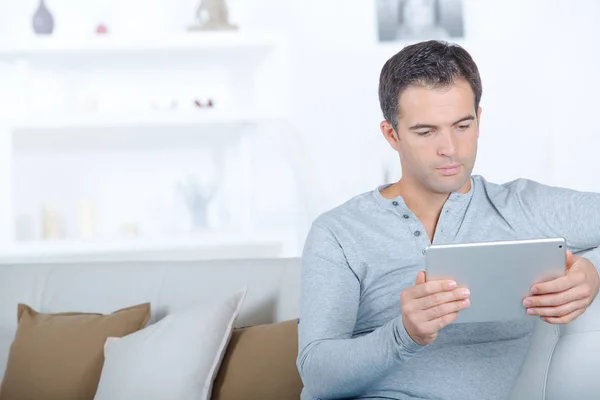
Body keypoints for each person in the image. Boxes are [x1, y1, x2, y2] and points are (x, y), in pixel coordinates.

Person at [296, 40, 600, 400]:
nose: (450, 149)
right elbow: (316, 375)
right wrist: (405, 333)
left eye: (462, 126)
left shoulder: (523, 208)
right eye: (426, 132)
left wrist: (592, 270)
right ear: (392, 135)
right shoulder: (339, 232)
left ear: (479, 120)